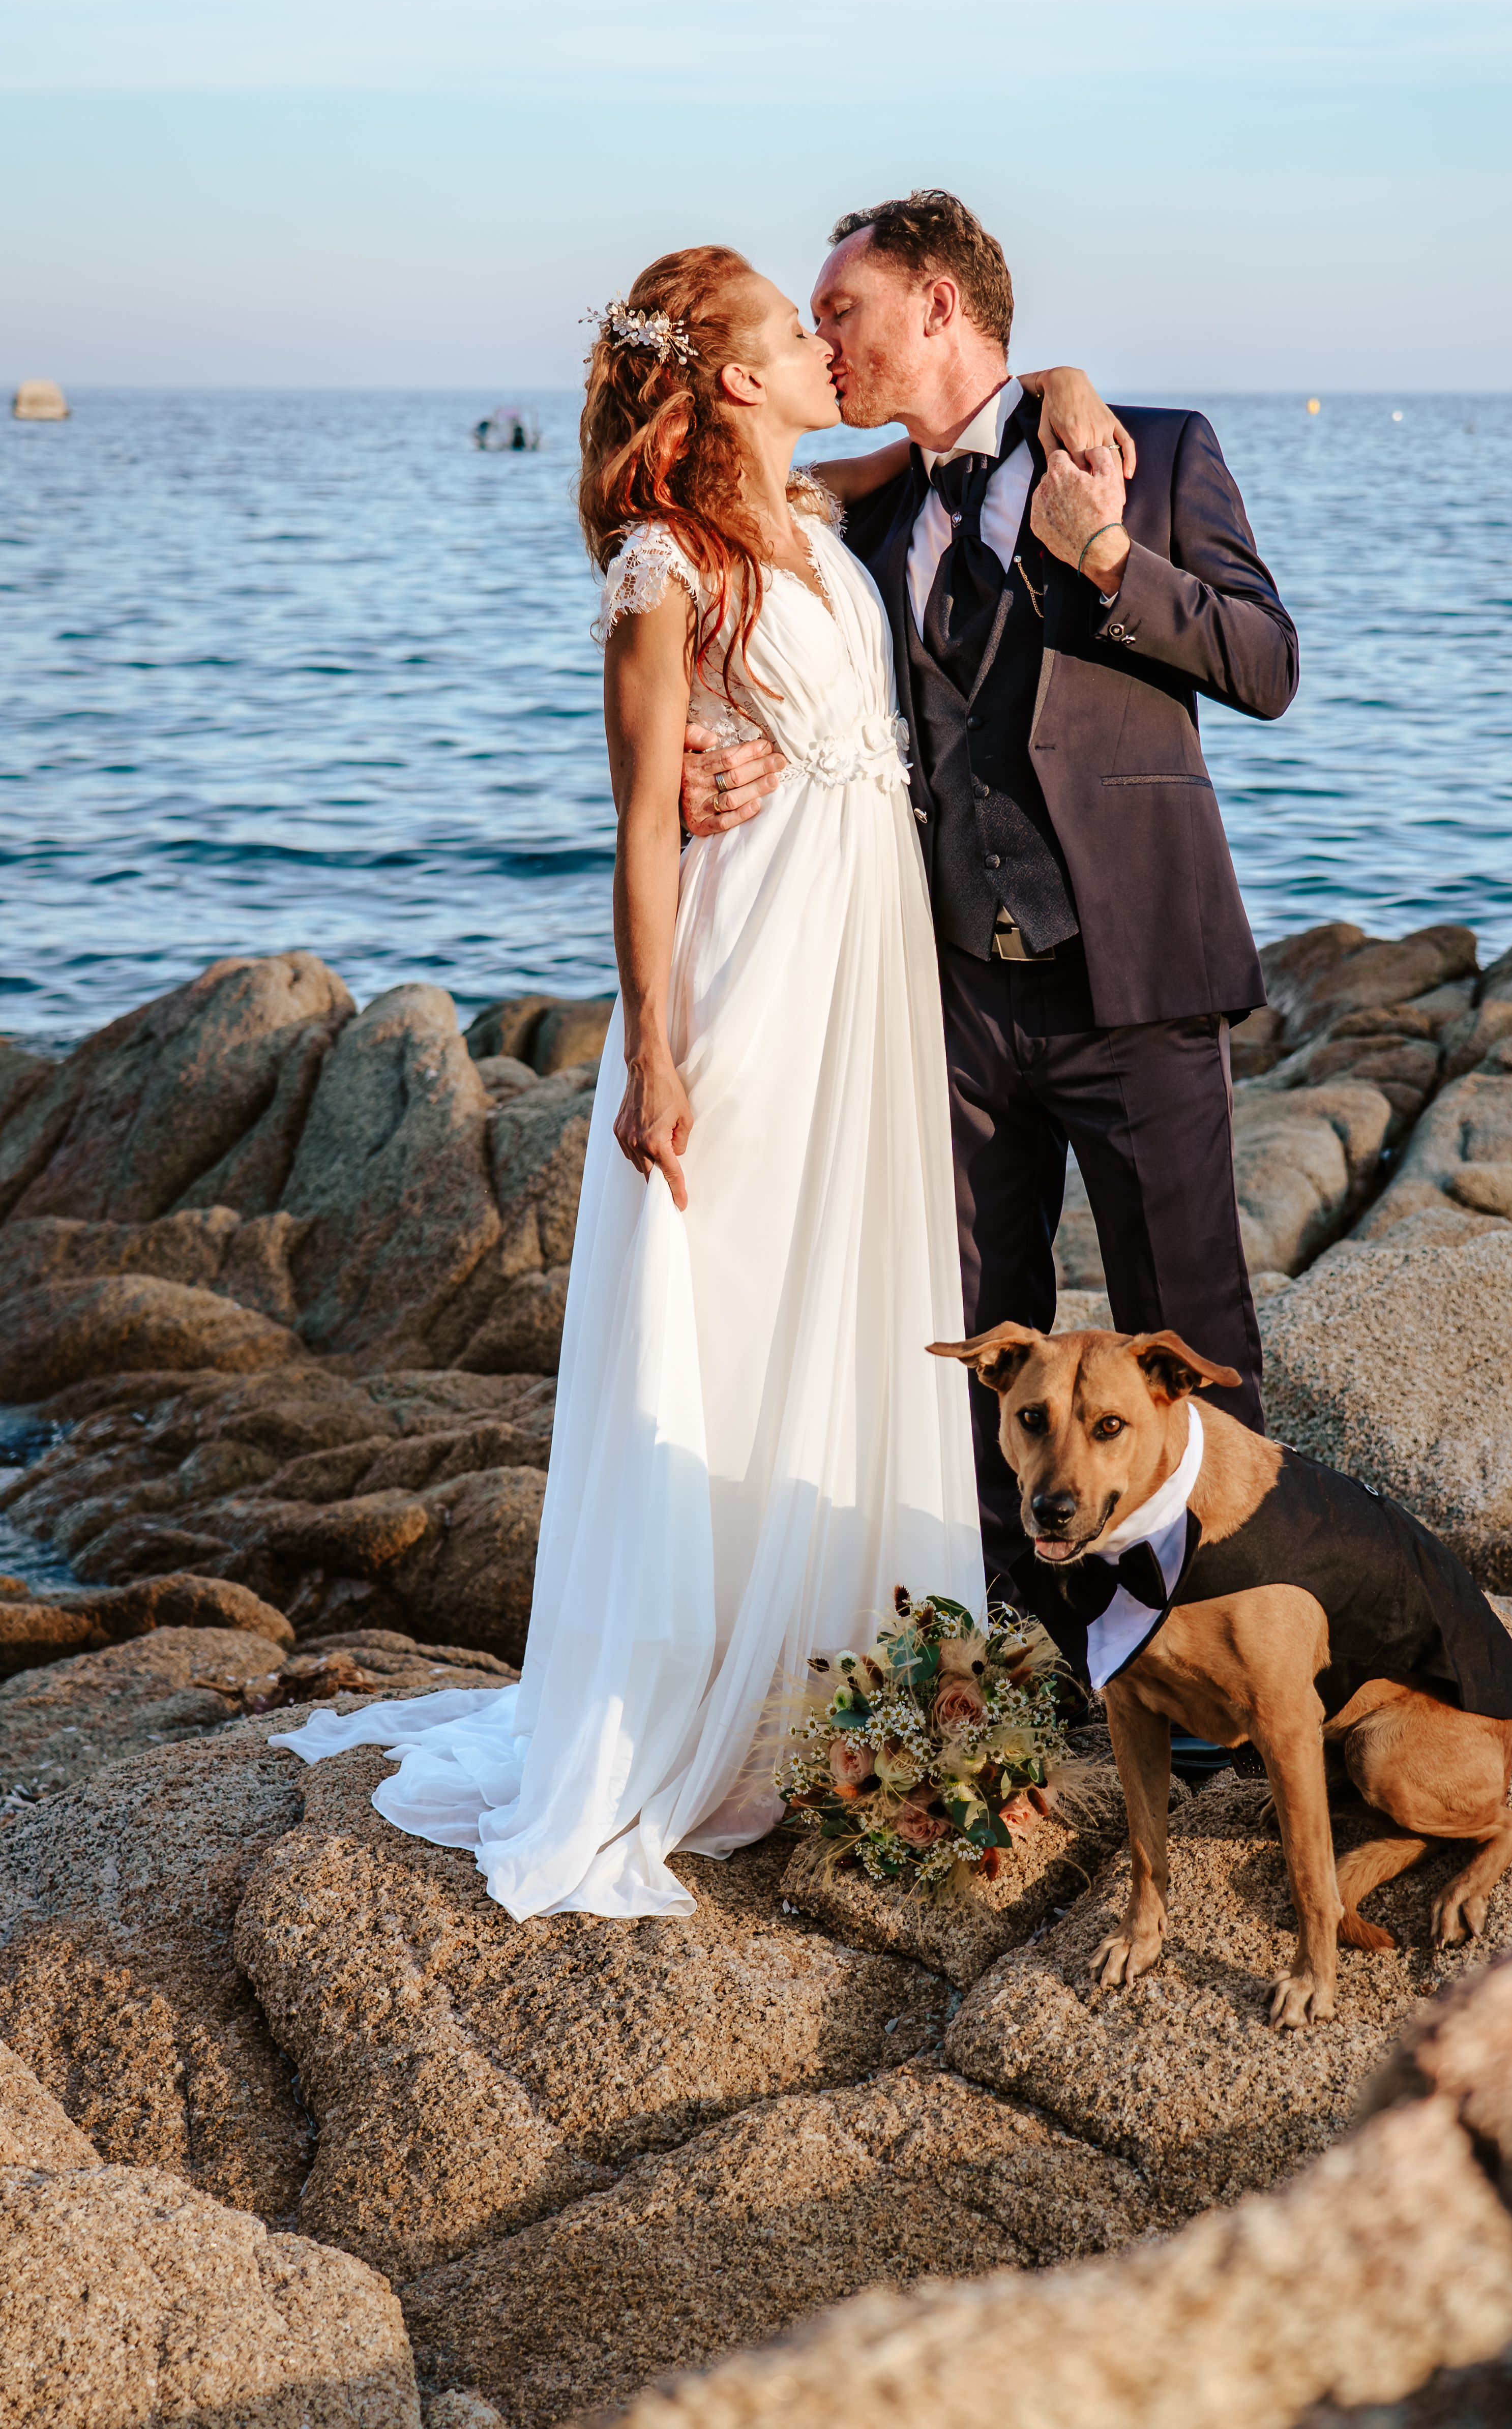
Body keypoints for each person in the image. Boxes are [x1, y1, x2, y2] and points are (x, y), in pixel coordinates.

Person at [271, 246, 1128, 1918]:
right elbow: (640, 836)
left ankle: (849, 1688)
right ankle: (706, 1714)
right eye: (791, 332)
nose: (827, 346)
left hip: (863, 984)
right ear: (732, 379)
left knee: (851, 1302)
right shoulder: (666, 568)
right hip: (750, 980)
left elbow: (979, 433)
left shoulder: (822, 510)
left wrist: (1069, 386)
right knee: (731, 1316)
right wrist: (653, 1050)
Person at [683, 192, 1298, 1593]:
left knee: (1186, 1331)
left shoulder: (1153, 453)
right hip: (946, 995)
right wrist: (676, 776)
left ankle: (1217, 1643)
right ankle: (1015, 1657)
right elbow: (720, 620)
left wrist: (1105, 555)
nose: (823, 338)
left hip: (1133, 981)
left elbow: (1266, 664)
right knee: (974, 1342)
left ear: (938, 306)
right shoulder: (869, 499)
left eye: (843, 309)